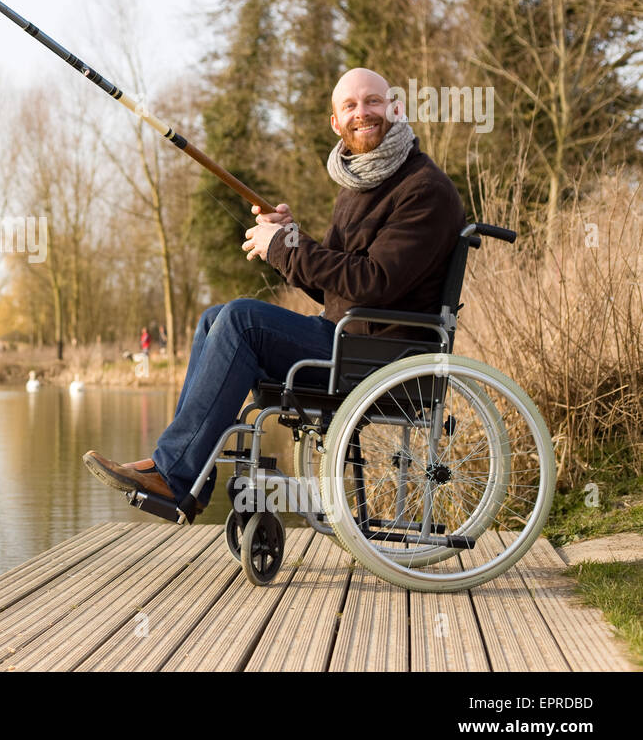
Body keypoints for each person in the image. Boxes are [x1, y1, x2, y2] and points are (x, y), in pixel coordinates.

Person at [84, 68, 465, 510]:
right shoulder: (360, 183)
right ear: (336, 123)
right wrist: (290, 240)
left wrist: (287, 250)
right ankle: (182, 474)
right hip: (350, 340)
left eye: (373, 102)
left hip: (382, 357)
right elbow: (338, 290)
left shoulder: (423, 189)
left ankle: (176, 474)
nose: (363, 113)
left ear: (395, 108)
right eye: (350, 106)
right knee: (214, 318)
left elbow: (374, 282)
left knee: (243, 318)